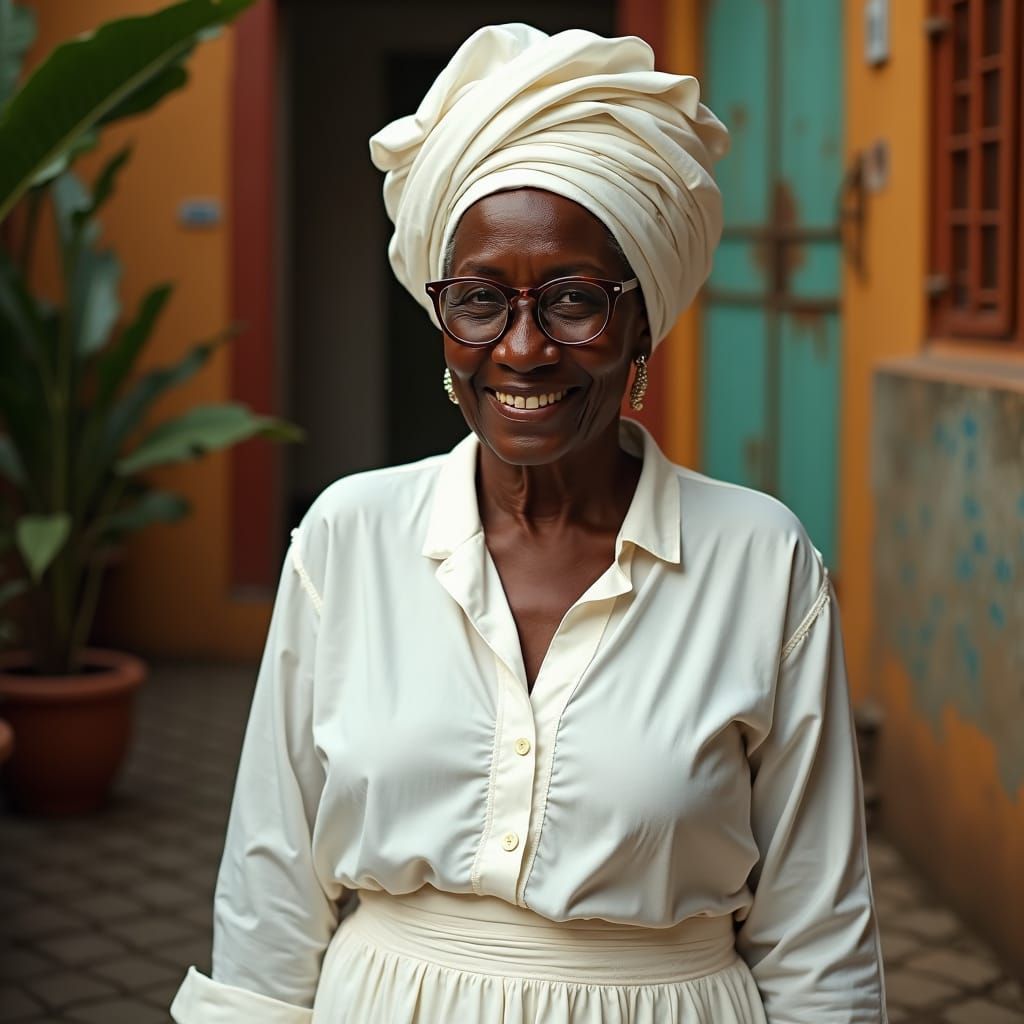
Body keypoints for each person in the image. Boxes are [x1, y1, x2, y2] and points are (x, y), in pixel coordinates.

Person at [170, 23, 887, 1024]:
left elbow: (816, 934)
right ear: (443, 321)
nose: (520, 347)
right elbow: (270, 882)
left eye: (573, 300)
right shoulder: (349, 537)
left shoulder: (761, 562)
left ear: (641, 323)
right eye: (479, 301)